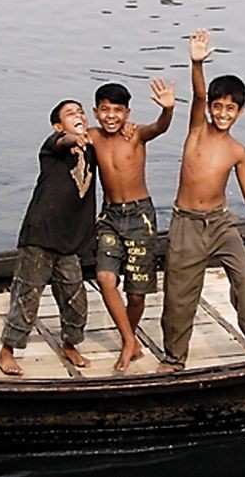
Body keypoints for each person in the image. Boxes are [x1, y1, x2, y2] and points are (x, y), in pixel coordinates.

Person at [157, 29, 245, 374]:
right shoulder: (196, 131)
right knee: (179, 296)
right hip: (186, 224)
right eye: (218, 107)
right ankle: (174, 358)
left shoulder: (237, 151)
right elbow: (199, 95)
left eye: (229, 108)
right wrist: (196, 62)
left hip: (221, 224)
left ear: (240, 112)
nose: (221, 113)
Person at [0, 100, 97, 376]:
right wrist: (73, 137)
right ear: (57, 125)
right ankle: (7, 350)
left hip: (69, 239)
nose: (78, 116)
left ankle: (70, 344)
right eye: (70, 114)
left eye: (81, 112)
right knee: (27, 294)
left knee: (74, 295)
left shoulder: (92, 147)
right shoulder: (53, 147)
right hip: (41, 233)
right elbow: (63, 141)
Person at [88, 79, 175, 372]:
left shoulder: (135, 135)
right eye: (105, 110)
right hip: (109, 216)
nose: (111, 116)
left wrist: (168, 109)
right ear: (95, 112)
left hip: (140, 217)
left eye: (117, 111)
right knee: (105, 278)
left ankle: (131, 336)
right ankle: (129, 341)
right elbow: (67, 136)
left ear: (127, 113)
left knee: (136, 294)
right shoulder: (92, 137)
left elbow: (159, 127)